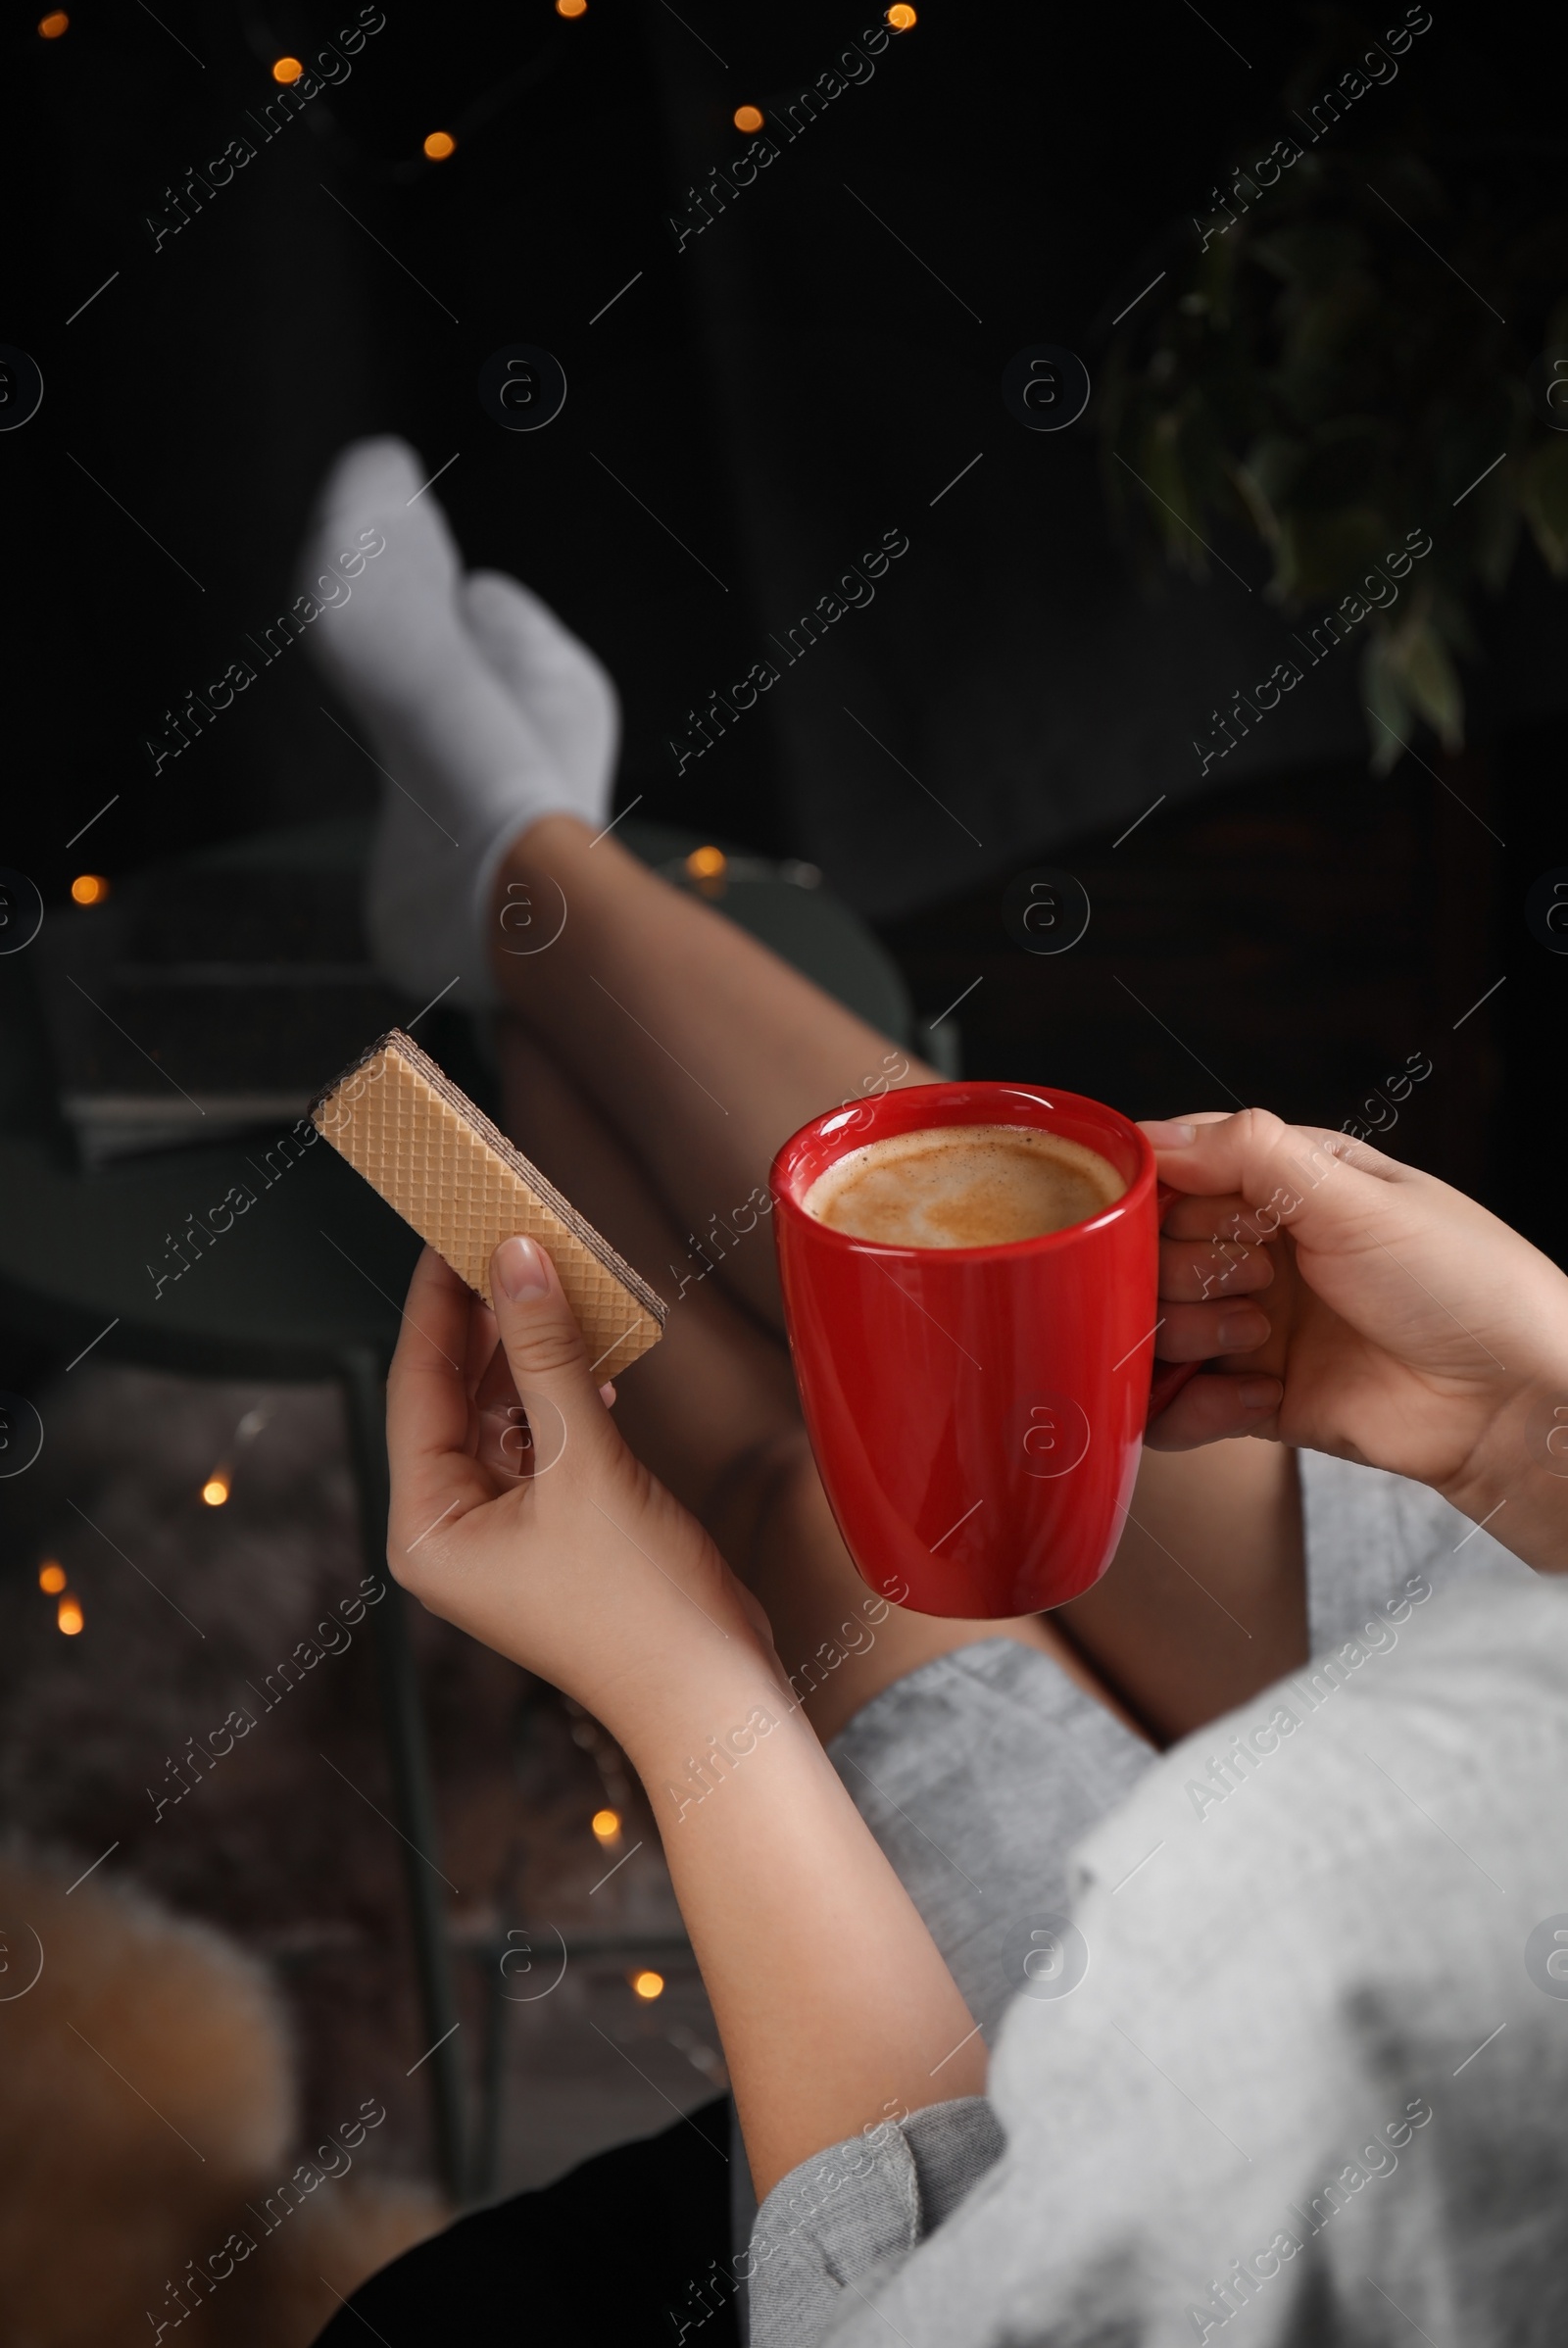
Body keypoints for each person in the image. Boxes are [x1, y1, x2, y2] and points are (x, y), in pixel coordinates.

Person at [306, 441, 1568, 2346]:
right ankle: (508, 861)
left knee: (810, 1491)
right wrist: (1526, 1424)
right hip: (1507, 1633)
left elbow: (911, 2300)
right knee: (960, 1250)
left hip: (1232, 2046)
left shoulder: (1341, 2080)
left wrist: (685, 1692)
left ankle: (505, 854)